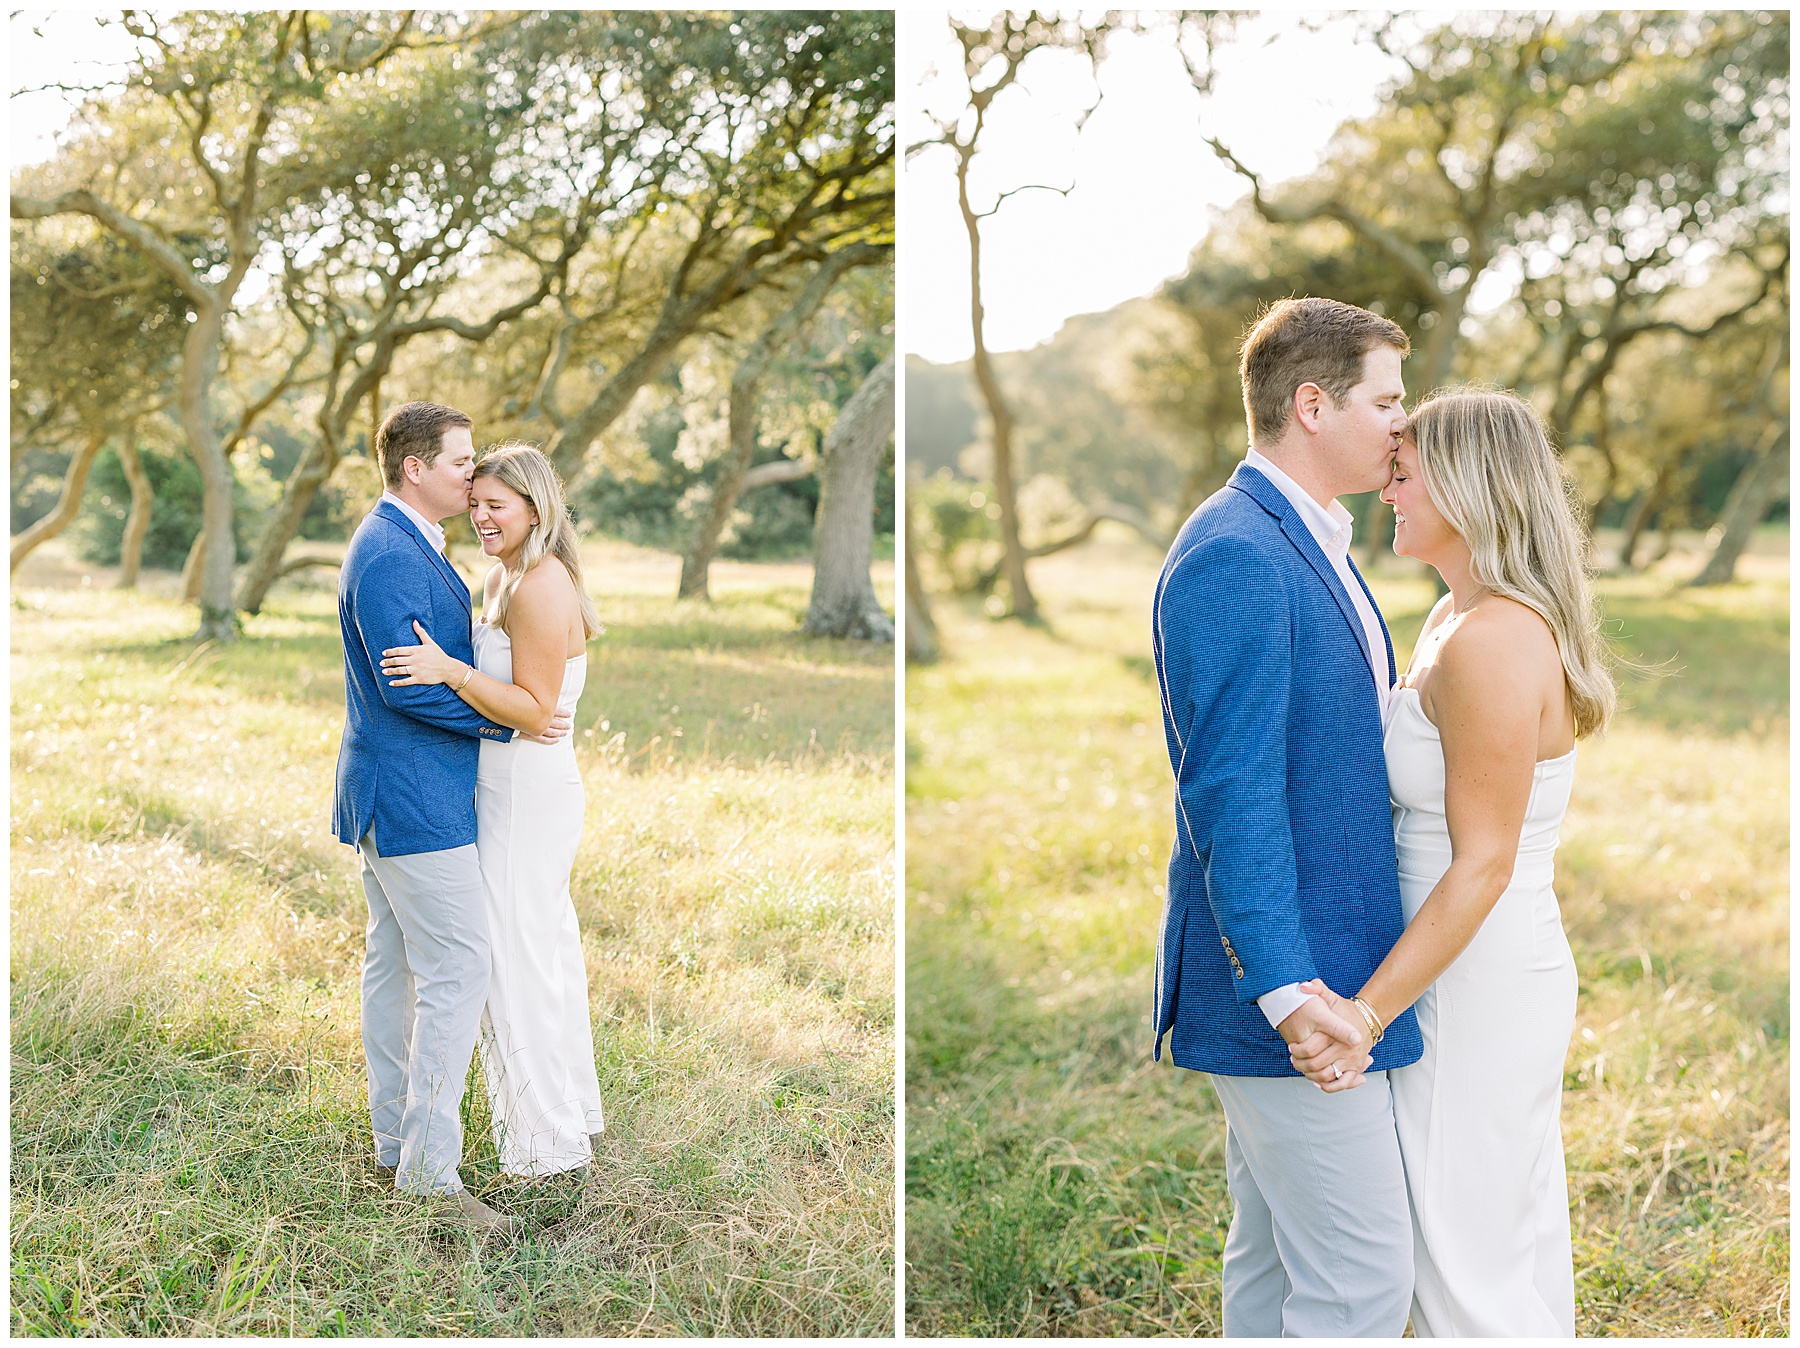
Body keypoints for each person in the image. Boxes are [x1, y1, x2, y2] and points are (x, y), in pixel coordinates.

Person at [1287, 389, 1613, 1336]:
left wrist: (1363, 1015)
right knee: (1489, 1236)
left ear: (1470, 487)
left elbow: (1482, 864)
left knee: (1460, 1262)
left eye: (1403, 468)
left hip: (1476, 977)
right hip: (1447, 958)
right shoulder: (1450, 619)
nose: (1386, 485)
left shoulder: (1495, 641)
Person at [1151, 296, 1423, 1336]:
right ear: (1313, 403)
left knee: (1269, 1268)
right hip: (1292, 989)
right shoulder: (1238, 549)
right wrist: (1280, 986)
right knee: (1361, 1279)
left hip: (1338, 966)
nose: (1405, 424)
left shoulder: (1315, 541)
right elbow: (1231, 789)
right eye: (1386, 400)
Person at [334, 402, 568, 1234]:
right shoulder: (393, 552)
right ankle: (430, 1178)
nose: (471, 476)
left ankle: (397, 1144)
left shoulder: (407, 541)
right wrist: (508, 720)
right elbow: (407, 683)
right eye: (461, 463)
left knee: (394, 968)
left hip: (396, 791)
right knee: (459, 967)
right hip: (413, 799)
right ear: (415, 468)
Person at [380, 443, 606, 1179]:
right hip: (501, 785)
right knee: (530, 946)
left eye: (496, 506)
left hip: (527, 790)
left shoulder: (539, 586)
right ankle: (562, 1115)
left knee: (517, 956)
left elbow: (535, 711)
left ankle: (545, 1142)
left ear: (535, 508)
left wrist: (450, 670)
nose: (480, 515)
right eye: (475, 501)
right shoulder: (502, 575)